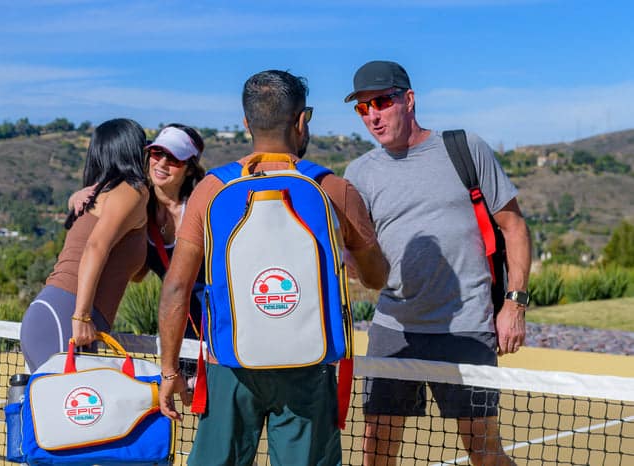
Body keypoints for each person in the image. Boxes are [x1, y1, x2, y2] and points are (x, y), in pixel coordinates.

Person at [157, 69, 390, 466]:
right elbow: (376, 277)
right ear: (302, 121)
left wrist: (167, 371)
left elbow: (177, 289)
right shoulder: (334, 190)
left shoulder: (210, 191)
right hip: (308, 369)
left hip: (229, 367)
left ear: (247, 123)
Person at [342, 61, 532, 466]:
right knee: (375, 448)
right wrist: (355, 265)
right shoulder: (358, 173)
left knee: (483, 450)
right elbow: (355, 256)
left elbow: (513, 227)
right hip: (393, 331)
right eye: (362, 108)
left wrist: (513, 305)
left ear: (408, 100)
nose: (372, 115)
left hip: (466, 330)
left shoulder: (465, 148)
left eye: (380, 102)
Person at [20, 118, 149, 373]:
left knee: (69, 410)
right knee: (61, 408)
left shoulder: (115, 194)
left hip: (63, 314)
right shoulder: (133, 191)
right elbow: (95, 247)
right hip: (67, 314)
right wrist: (81, 316)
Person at [69, 123, 207, 340]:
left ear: (189, 168)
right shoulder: (138, 206)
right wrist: (75, 198)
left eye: (173, 158)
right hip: (180, 331)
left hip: (217, 325)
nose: (162, 163)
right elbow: (138, 274)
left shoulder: (201, 207)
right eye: (157, 152)